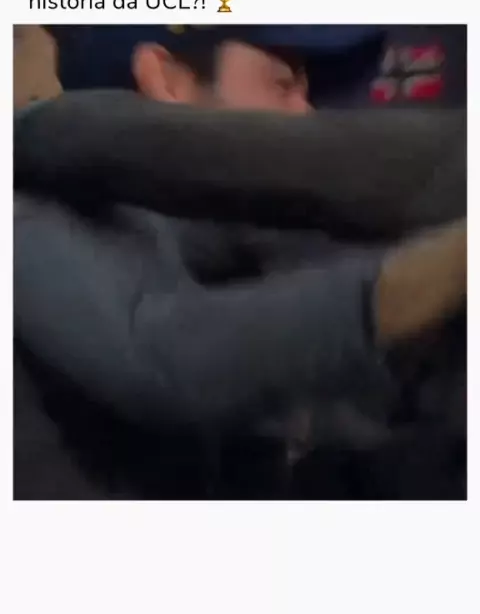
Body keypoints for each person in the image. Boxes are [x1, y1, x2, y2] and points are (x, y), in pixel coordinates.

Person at [14, 25, 466, 499]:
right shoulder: (32, 221)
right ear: (167, 79)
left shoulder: (233, 245)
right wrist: (414, 285)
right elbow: (168, 357)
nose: (307, 114)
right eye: (281, 85)